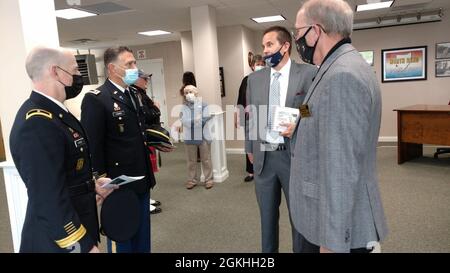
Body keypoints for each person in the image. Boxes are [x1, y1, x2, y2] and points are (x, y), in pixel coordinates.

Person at [290, 0, 388, 253]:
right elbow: (317, 108)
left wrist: (332, 243)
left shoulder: (342, 76)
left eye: (298, 32)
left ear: (316, 31)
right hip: (321, 216)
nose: (297, 39)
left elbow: (341, 167)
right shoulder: (336, 66)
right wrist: (299, 123)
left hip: (334, 230)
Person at [10, 47, 115, 253]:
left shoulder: (57, 112)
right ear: (56, 72)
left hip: (77, 223)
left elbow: (64, 173)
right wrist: (81, 246)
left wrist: (91, 185)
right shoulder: (37, 122)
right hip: (57, 241)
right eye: (75, 70)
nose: (79, 76)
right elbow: (47, 197)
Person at [245, 26, 317, 253]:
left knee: (299, 220)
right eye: (263, 46)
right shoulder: (254, 80)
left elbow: (312, 109)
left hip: (292, 156)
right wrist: (249, 148)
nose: (264, 51)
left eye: (269, 45)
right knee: (266, 219)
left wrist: (299, 121)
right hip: (263, 159)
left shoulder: (307, 73)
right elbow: (251, 117)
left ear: (285, 47)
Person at [80, 46, 155, 253]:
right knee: (122, 238)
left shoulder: (134, 94)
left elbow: (137, 134)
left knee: (142, 238)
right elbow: (92, 145)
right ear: (112, 68)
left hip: (141, 178)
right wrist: (101, 181)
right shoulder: (97, 99)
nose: (135, 68)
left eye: (134, 63)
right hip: (117, 184)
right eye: (129, 64)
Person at [131, 70, 165, 215]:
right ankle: (145, 203)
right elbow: (147, 115)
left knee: (149, 171)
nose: (147, 81)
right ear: (136, 80)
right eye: (144, 79)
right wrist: (156, 108)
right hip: (140, 140)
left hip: (147, 139)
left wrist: (155, 110)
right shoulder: (135, 93)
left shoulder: (141, 93)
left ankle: (147, 198)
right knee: (143, 173)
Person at [236, 53, 265, 182]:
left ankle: (263, 169)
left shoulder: (267, 79)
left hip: (263, 117)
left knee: (263, 144)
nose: (260, 66)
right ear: (253, 66)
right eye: (258, 64)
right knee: (249, 144)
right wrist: (239, 117)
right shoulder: (246, 80)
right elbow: (241, 99)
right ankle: (251, 171)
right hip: (249, 118)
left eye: (262, 64)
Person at [180, 85, 214, 189]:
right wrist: (195, 120)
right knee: (191, 161)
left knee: (206, 160)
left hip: (203, 136)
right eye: (186, 93)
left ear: (195, 93)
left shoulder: (204, 105)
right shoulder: (183, 107)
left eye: (190, 92)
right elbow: (184, 122)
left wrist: (195, 121)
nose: (188, 94)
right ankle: (192, 180)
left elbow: (206, 118)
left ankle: (209, 179)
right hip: (190, 137)